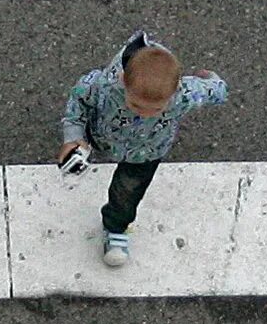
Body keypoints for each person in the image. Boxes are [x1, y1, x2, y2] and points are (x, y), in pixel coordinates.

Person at [55, 32, 229, 267]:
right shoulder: (106, 86)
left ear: (175, 90)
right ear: (122, 80)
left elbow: (215, 91)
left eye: (156, 109)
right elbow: (79, 99)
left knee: (128, 192)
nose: (143, 113)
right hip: (101, 136)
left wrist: (213, 81)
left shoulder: (184, 95)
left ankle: (116, 228)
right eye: (135, 105)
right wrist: (74, 136)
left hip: (146, 153)